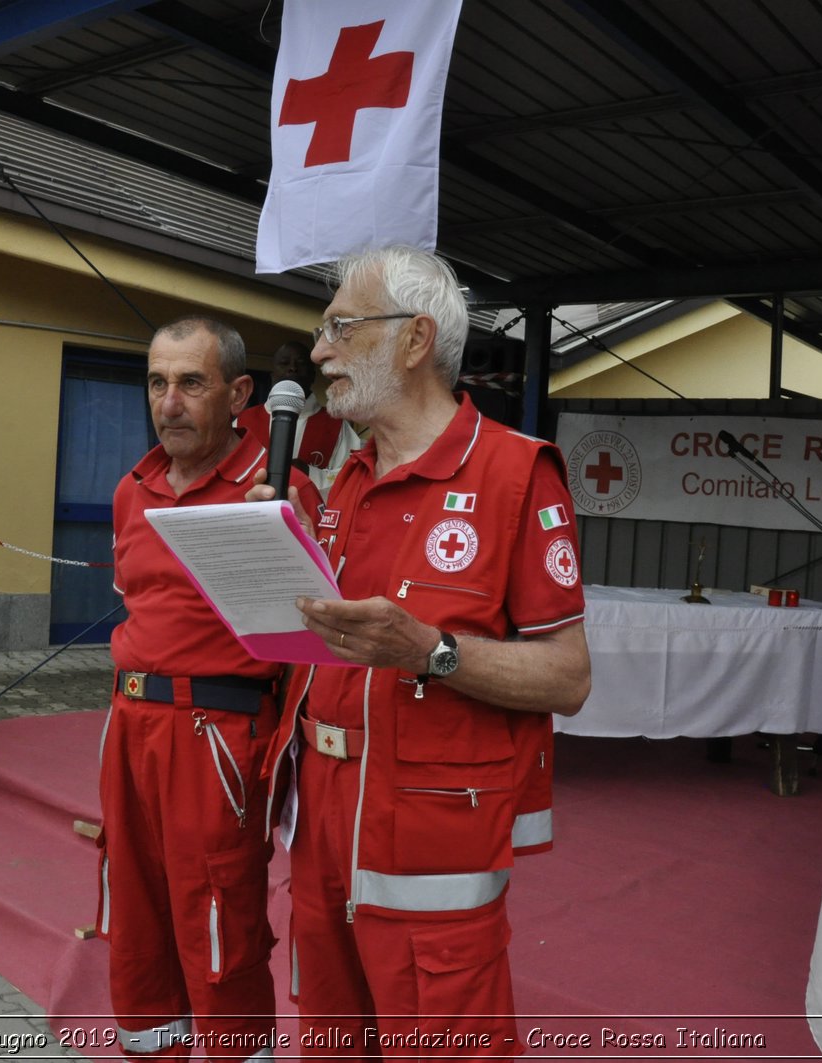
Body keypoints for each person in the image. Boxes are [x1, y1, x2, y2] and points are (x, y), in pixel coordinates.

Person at [252, 247, 592, 1055]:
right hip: (322, 827)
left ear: (414, 341)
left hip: (433, 844)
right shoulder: (347, 477)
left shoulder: (518, 474)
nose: (319, 349)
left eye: (339, 326)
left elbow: (569, 677)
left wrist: (434, 651)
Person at [99, 316, 323, 1059]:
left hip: (216, 737)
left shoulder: (276, 485)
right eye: (158, 383)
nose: (170, 401)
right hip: (129, 724)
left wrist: (288, 530)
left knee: (219, 922)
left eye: (191, 382)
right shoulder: (133, 488)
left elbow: (315, 630)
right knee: (135, 918)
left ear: (238, 394)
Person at [235, 340, 360, 494]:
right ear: (273, 375)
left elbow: (354, 476)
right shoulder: (243, 421)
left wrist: (311, 473)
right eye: (284, 363)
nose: (292, 368)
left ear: (313, 375)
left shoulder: (336, 425)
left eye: (300, 363)